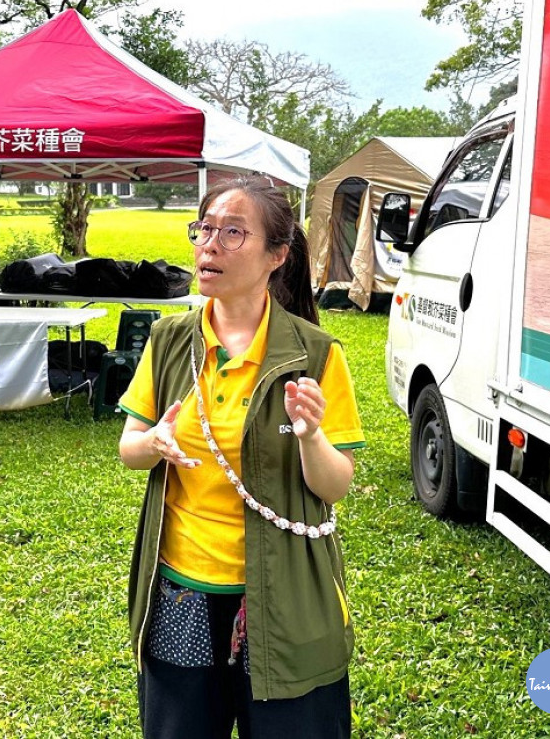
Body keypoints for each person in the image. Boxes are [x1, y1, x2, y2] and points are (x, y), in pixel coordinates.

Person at [119, 174, 365, 739]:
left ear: (277, 255)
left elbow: (334, 486)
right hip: (181, 589)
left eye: (233, 233)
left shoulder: (315, 353)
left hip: (286, 597)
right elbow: (130, 449)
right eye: (204, 228)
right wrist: (153, 441)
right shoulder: (169, 340)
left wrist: (310, 436)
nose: (209, 244)